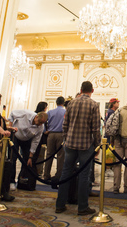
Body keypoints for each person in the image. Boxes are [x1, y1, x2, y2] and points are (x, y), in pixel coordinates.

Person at [55, 81, 101, 215]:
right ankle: (82, 207)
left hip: (70, 144)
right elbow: (95, 128)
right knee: (84, 176)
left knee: (66, 173)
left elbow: (65, 124)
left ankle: (60, 204)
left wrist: (66, 138)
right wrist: (97, 145)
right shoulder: (93, 105)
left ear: (80, 89)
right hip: (85, 145)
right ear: (92, 90)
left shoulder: (71, 103)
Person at [9, 109, 48, 187]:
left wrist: (31, 156)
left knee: (27, 160)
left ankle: (22, 180)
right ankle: (11, 181)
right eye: (40, 122)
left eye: (42, 123)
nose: (40, 125)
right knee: (13, 158)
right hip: (16, 136)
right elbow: (12, 113)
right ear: (36, 117)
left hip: (26, 140)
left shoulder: (40, 127)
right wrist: (10, 127)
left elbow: (35, 142)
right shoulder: (25, 114)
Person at [44, 96, 67, 183]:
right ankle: (59, 175)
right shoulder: (65, 111)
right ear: (63, 103)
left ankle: (46, 175)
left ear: (56, 103)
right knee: (61, 156)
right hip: (61, 134)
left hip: (51, 134)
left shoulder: (50, 112)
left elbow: (45, 122)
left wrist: (46, 131)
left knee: (49, 154)